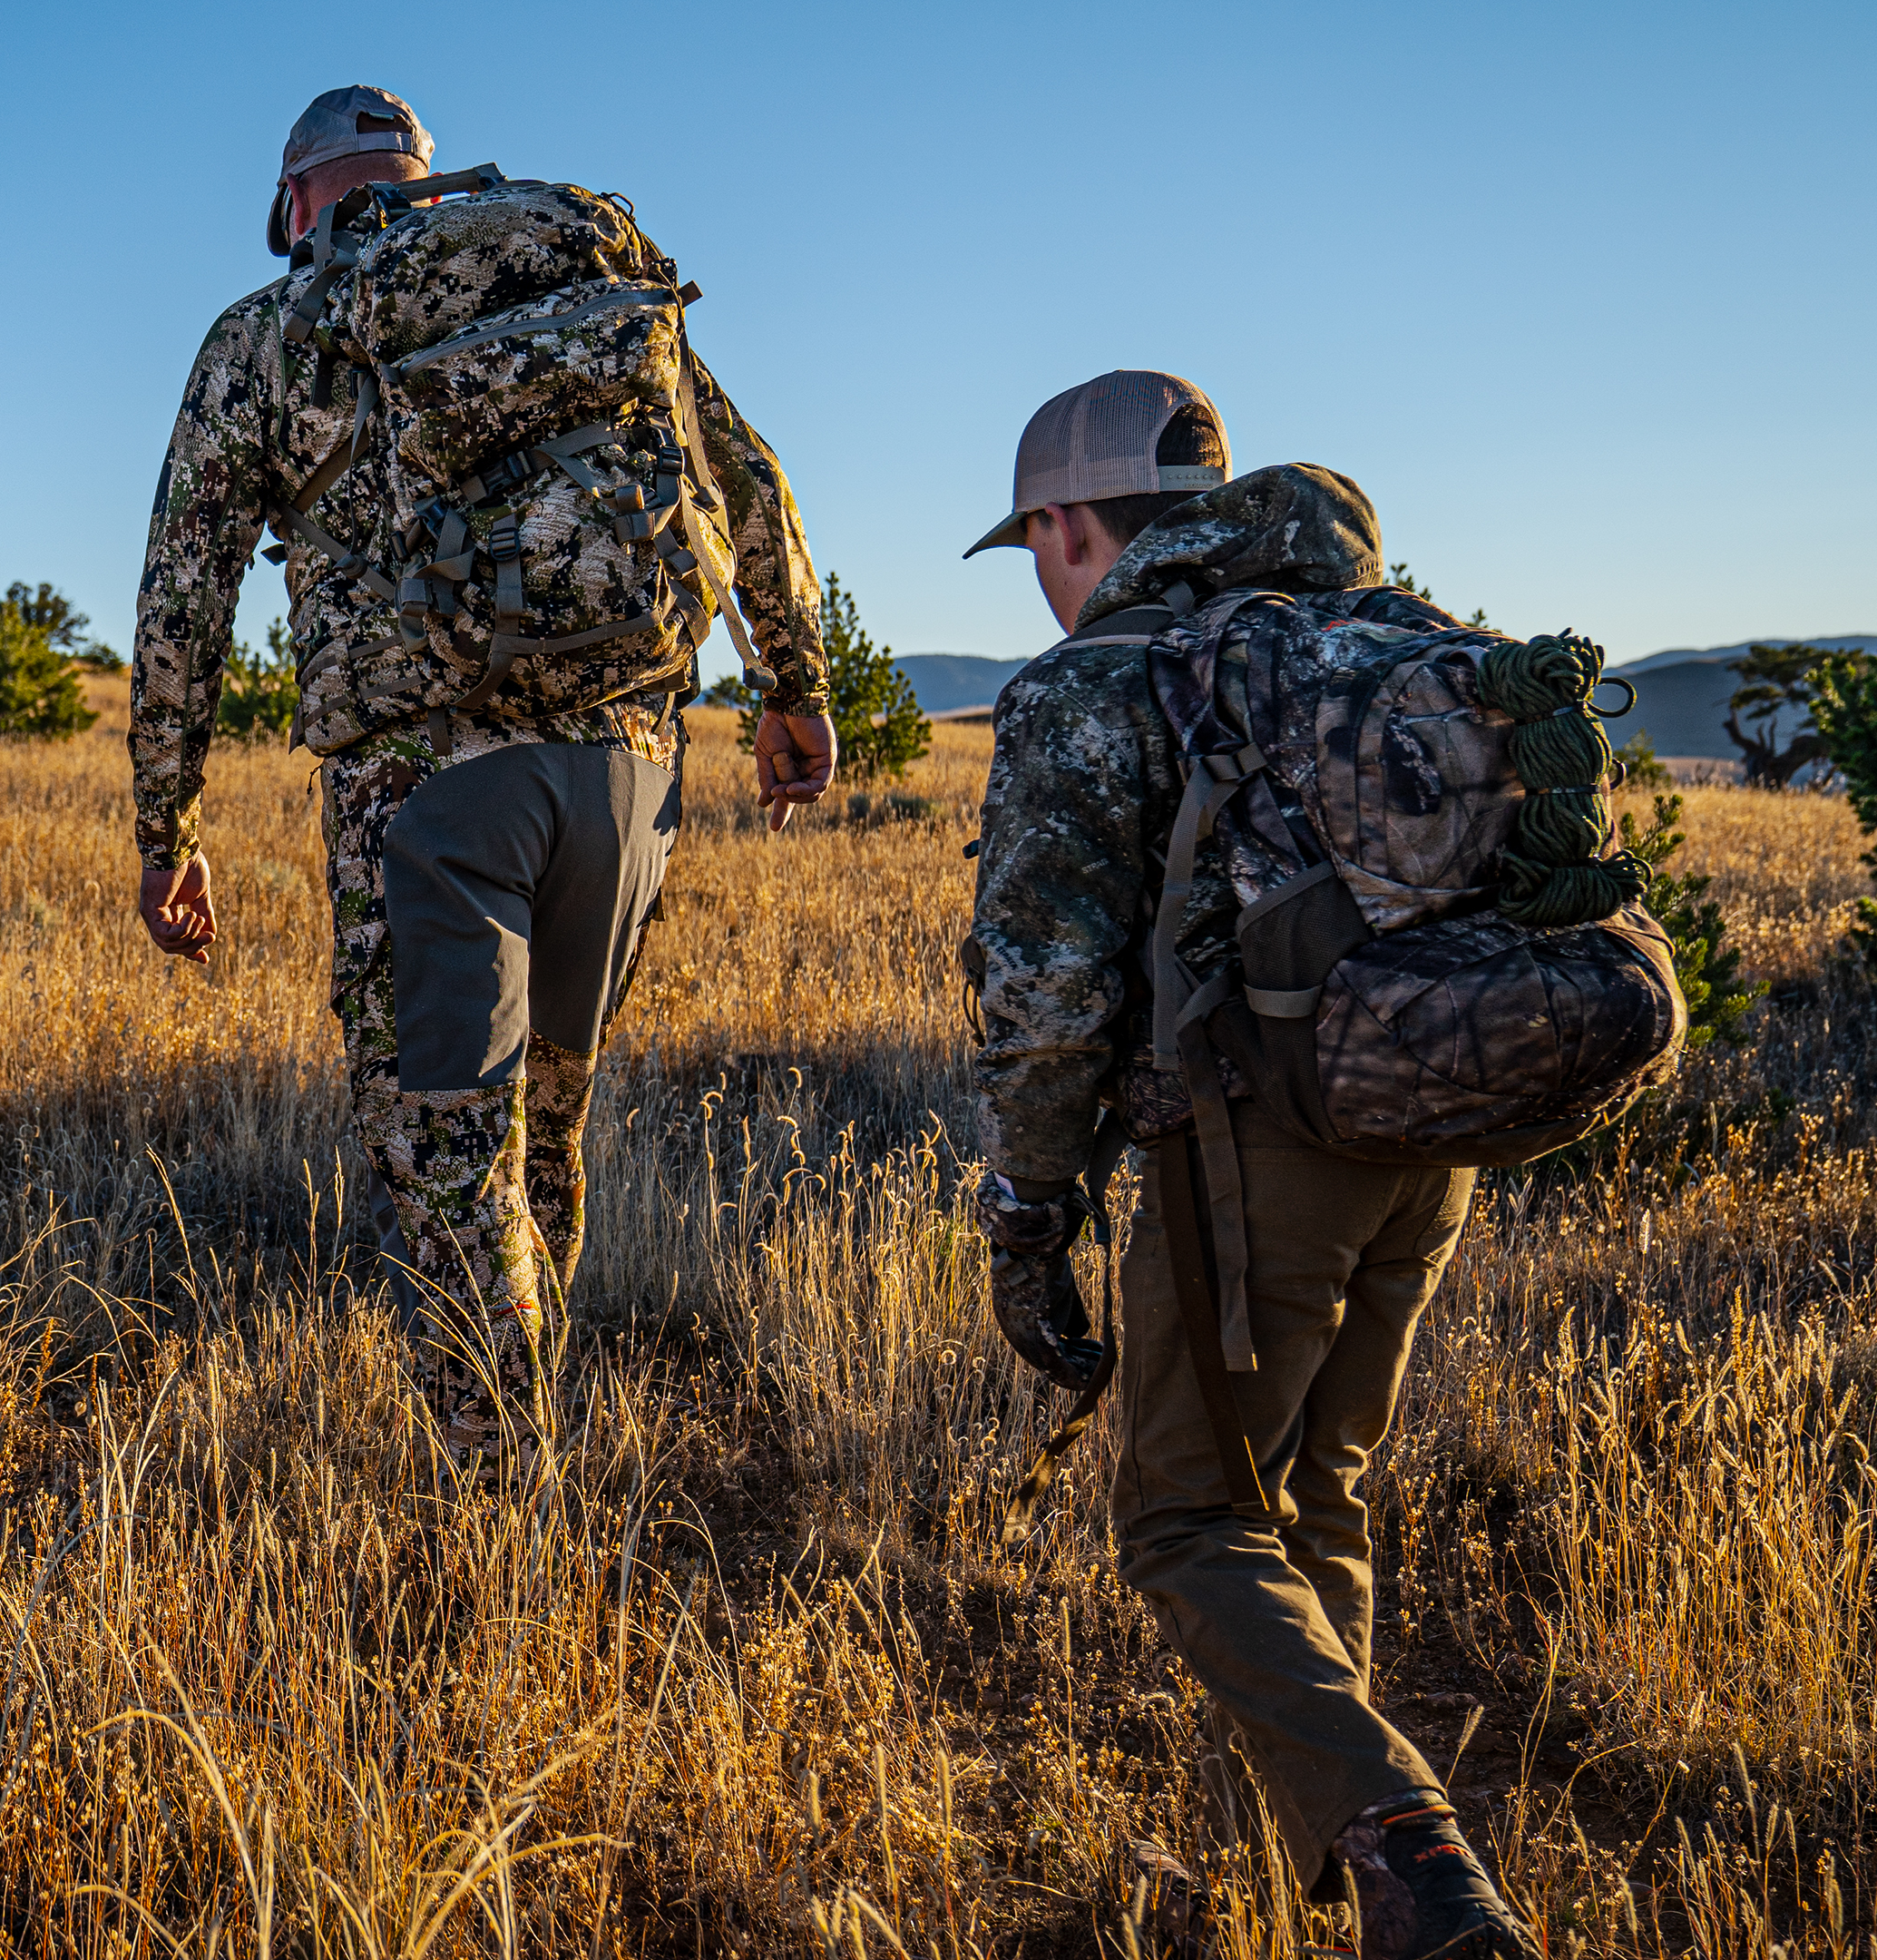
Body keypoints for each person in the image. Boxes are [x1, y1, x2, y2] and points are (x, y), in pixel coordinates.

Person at [128, 85, 839, 1444]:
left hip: (434, 799)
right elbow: (748, 477)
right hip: (629, 781)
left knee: (447, 1163)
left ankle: (497, 1499)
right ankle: (532, 1425)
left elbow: (182, 593)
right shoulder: (575, 270)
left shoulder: (274, 333)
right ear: (424, 181)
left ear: (295, 205)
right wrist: (794, 684)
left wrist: (170, 825)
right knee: (546, 1138)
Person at [965, 371, 1538, 1959]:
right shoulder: (1365, 637)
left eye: (1033, 542)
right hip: (1434, 1115)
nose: (1040, 570)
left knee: (1190, 1523)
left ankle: (1413, 1862)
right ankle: (1342, 1891)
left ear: (1070, 524)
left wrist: (1029, 1208)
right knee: (1318, 1498)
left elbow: (1047, 990)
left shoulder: (1099, 682)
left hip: (1258, 1134)